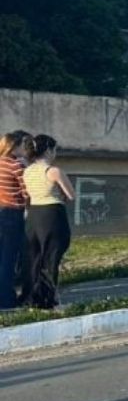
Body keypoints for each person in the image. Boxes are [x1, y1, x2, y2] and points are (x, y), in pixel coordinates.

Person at [22, 134, 74, 310]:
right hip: (52, 214)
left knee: (34, 258)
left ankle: (32, 297)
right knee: (51, 258)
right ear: (48, 150)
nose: (55, 153)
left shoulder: (27, 171)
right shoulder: (54, 171)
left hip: (34, 215)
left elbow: (27, 194)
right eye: (54, 149)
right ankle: (48, 300)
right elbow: (71, 195)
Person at [0, 131, 28, 309]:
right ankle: (6, 298)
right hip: (12, 213)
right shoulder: (16, 165)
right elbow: (27, 192)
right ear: (15, 146)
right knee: (9, 259)